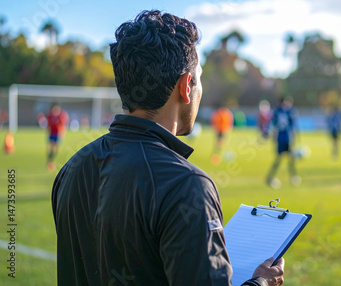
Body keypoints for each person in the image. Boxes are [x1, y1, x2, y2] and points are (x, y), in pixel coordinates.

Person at [52, 10, 284, 286]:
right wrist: (262, 282)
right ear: (186, 87)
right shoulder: (186, 184)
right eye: (198, 79)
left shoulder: (71, 168)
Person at [266, 96, 300, 189]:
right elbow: (293, 125)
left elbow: (272, 125)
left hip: (280, 138)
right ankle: (293, 177)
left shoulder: (276, 111)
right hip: (287, 137)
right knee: (290, 159)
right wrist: (296, 137)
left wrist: (272, 137)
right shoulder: (290, 111)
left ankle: (270, 177)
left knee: (279, 159)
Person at [46, 103, 69, 171]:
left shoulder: (60, 116)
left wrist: (62, 133)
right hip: (52, 133)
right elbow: (49, 125)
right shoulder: (50, 116)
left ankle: (51, 159)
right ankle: (50, 159)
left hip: (57, 133)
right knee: (51, 146)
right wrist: (48, 130)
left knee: (56, 147)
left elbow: (63, 125)